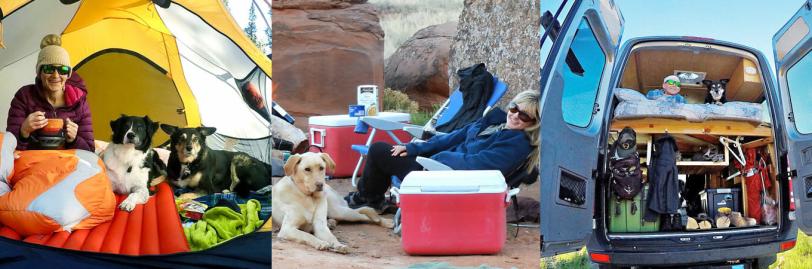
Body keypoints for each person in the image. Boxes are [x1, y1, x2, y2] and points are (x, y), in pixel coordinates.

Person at [345, 90, 540, 211]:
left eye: (524, 116)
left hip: (447, 177)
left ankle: (367, 199)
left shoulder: (517, 143)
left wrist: (438, 159)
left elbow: (478, 165)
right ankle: (373, 199)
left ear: (533, 123)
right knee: (390, 151)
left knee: (379, 151)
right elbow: (454, 136)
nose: (514, 116)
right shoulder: (495, 122)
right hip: (437, 165)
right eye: (514, 108)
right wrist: (413, 148)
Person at [6, 34, 94, 151]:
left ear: (68, 75)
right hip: (33, 164)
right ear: (39, 73)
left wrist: (74, 139)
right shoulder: (24, 96)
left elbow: (89, 151)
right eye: (49, 69)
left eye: (62, 70)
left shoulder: (80, 102)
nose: (56, 75)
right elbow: (8, 150)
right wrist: (24, 132)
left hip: (67, 165)